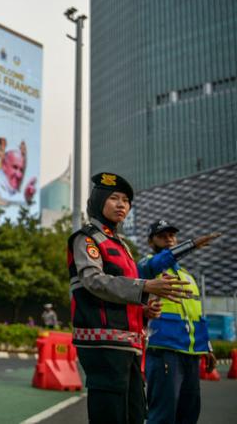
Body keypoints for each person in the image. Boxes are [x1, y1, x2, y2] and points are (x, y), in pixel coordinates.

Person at [67, 173, 191, 424]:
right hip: (103, 343)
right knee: (110, 415)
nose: (122, 204)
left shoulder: (122, 245)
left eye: (126, 200)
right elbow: (94, 281)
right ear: (98, 201)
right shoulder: (87, 238)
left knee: (135, 415)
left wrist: (143, 310)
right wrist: (145, 285)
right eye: (114, 198)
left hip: (129, 345)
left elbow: (122, 291)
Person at [137, 220, 218, 424]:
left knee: (189, 415)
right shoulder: (147, 266)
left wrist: (207, 347)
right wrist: (192, 244)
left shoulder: (187, 277)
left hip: (191, 355)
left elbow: (197, 315)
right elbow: (160, 261)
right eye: (162, 236)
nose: (169, 239)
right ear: (150, 241)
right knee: (163, 416)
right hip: (164, 352)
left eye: (172, 235)